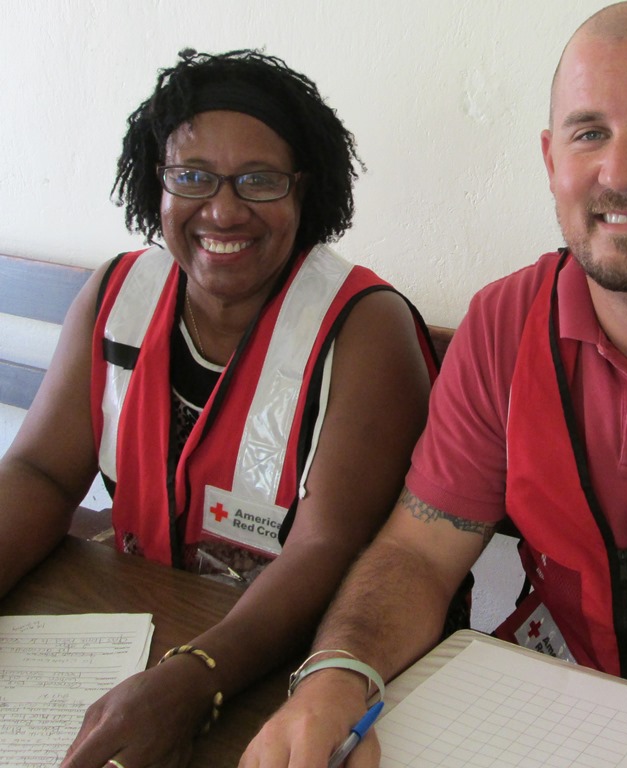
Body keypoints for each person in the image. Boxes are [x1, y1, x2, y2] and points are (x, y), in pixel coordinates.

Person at [239, 2, 627, 767]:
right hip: (544, 721)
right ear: (549, 156)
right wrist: (336, 675)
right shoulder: (504, 324)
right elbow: (418, 553)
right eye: (589, 131)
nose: (619, 172)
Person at [0, 50, 437, 767]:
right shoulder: (117, 292)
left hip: (293, 666)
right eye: (192, 176)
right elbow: (43, 471)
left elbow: (329, 548)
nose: (224, 209)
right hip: (145, 624)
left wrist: (195, 679)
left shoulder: (363, 327)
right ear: (156, 183)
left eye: (258, 180)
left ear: (305, 190)